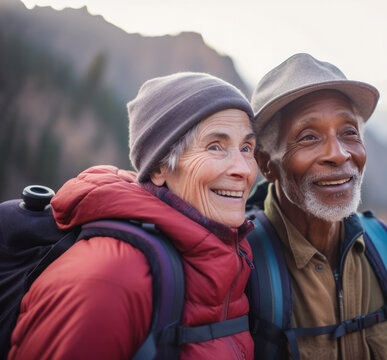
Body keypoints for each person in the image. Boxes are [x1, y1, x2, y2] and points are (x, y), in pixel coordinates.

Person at [9, 72, 258, 359]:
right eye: (215, 146)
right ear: (159, 169)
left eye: (246, 148)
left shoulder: (232, 265)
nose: (243, 169)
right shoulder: (110, 280)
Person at [246, 53, 387, 359]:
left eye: (349, 132)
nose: (339, 153)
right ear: (267, 165)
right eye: (308, 137)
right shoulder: (241, 268)